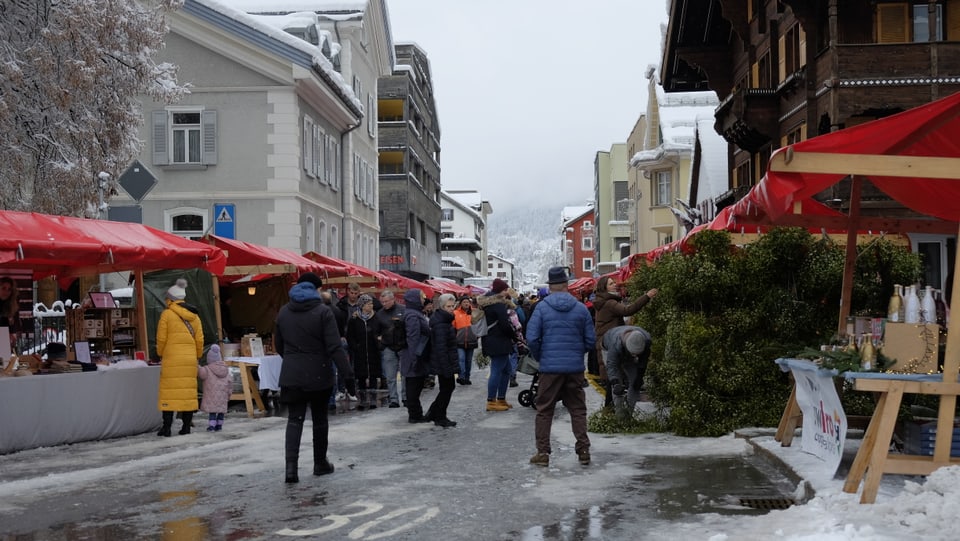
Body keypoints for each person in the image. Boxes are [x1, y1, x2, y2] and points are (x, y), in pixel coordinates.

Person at [274, 272, 353, 483]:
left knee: (294, 420)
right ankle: (320, 463)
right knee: (319, 419)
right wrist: (348, 374)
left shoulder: (283, 311)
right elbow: (335, 347)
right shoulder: (323, 312)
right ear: (317, 289)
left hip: (291, 373)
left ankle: (291, 469)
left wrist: (293, 360)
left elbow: (279, 345)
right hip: (319, 372)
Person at [526, 267, 596, 467]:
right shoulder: (581, 308)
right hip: (574, 369)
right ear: (567, 286)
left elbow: (532, 338)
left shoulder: (541, 308)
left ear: (550, 287)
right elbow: (591, 341)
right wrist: (576, 354)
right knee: (577, 409)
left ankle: (543, 453)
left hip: (550, 368)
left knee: (544, 409)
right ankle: (583, 450)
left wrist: (542, 357)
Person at [593, 275, 657, 407]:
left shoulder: (602, 302)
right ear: (604, 288)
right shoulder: (610, 303)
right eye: (611, 283)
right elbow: (628, 310)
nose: (615, 284)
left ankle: (611, 412)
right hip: (612, 344)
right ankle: (614, 413)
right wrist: (647, 297)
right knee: (615, 379)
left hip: (606, 343)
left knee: (613, 380)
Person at [156, 278, 204, 437]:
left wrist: (161, 353)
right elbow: (200, 340)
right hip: (190, 359)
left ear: (170, 299)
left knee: (169, 393)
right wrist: (197, 355)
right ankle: (186, 427)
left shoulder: (167, 314)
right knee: (188, 394)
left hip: (171, 358)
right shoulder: (195, 316)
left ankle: (167, 428)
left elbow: (161, 339)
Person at [478, 278, 517, 412]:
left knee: (506, 370)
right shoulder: (498, 304)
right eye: (506, 289)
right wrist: (514, 336)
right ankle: (491, 401)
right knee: (496, 371)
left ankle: (501, 398)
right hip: (498, 341)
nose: (507, 292)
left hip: (492, 340)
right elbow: (504, 324)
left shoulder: (488, 302)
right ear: (501, 290)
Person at [601, 325, 652, 417]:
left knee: (635, 382)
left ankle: (628, 414)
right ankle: (618, 415)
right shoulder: (615, 344)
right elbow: (612, 366)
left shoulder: (646, 340)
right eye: (633, 353)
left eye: (637, 354)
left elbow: (643, 361)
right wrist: (615, 382)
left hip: (628, 351)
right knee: (615, 383)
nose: (634, 356)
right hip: (608, 347)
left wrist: (639, 376)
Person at [424, 293, 459, 427]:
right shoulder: (441, 323)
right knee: (447, 388)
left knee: (447, 387)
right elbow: (441, 348)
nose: (451, 308)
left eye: (452, 306)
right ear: (442, 307)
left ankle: (434, 412)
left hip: (445, 360)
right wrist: (446, 366)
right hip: (443, 361)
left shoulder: (444, 320)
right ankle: (439, 416)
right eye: (448, 306)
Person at [400, 288, 432, 423]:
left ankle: (415, 414)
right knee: (413, 386)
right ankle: (415, 415)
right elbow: (413, 338)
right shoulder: (413, 315)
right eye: (421, 297)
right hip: (414, 356)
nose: (424, 299)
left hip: (414, 355)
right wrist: (415, 359)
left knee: (414, 386)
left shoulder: (413, 313)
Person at [346, 294, 382, 410]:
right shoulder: (355, 319)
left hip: (373, 351)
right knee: (361, 376)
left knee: (373, 376)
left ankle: (372, 400)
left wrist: (378, 342)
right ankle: (362, 400)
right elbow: (350, 336)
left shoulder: (376, 318)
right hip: (360, 352)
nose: (371, 306)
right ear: (362, 306)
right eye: (368, 304)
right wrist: (355, 347)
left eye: (371, 304)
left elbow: (379, 331)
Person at [372, 289, 405, 408]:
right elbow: (375, 332)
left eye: (386, 301)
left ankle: (405, 397)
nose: (384, 304)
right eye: (382, 302)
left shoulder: (402, 310)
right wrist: (381, 344)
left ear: (393, 300)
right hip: (388, 347)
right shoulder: (379, 314)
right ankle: (393, 399)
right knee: (390, 376)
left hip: (402, 346)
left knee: (404, 374)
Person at [198, 344, 231, 432]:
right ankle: (219, 425)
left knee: (213, 411)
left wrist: (197, 366)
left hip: (211, 395)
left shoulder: (207, 369)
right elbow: (230, 382)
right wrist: (229, 394)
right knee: (221, 411)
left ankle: (211, 426)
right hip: (223, 395)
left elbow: (201, 375)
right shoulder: (226, 369)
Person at [452, 295, 477, 385]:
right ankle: (461, 376)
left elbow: (478, 325)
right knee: (461, 359)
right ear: (460, 303)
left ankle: (467, 377)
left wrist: (476, 335)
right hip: (459, 340)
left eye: (467, 302)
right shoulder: (455, 313)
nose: (466, 304)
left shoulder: (474, 313)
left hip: (471, 340)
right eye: (464, 302)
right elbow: (452, 327)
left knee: (469, 361)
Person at [0, 276, 20, 349]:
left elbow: (5, 323)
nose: (6, 292)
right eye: (3, 288)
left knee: (5, 359)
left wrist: (11, 333)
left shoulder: (8, 305)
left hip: (3, 337)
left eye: (9, 289)